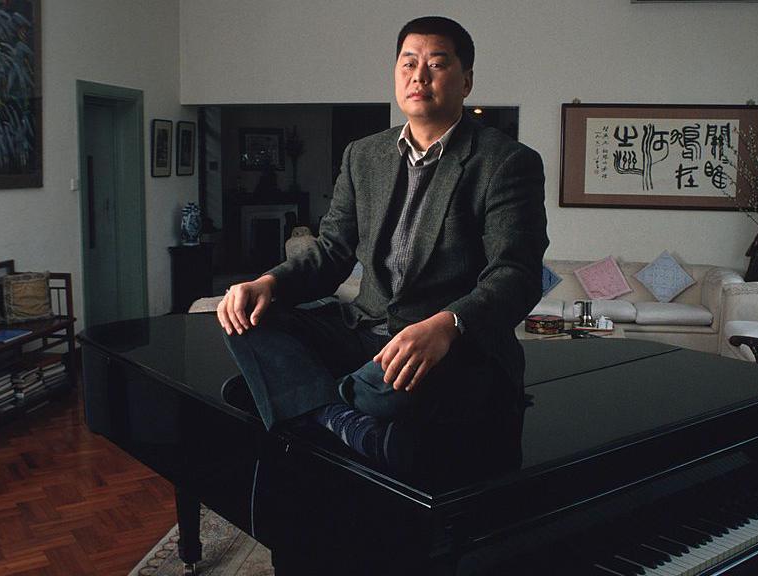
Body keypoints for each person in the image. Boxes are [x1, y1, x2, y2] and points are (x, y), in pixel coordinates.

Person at [217, 16, 548, 471]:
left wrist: (447, 325)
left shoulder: (506, 162)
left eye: (436, 64)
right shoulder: (363, 155)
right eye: (408, 63)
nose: (419, 75)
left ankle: (295, 397)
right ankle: (338, 415)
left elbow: (517, 272)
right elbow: (332, 250)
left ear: (466, 80)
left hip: (439, 346)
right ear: (395, 74)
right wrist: (268, 282)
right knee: (247, 317)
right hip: (363, 334)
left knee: (419, 387)